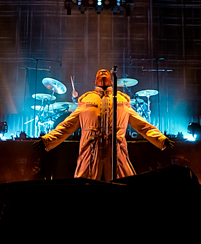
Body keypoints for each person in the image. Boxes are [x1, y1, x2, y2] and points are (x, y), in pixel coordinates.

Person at [34, 69, 174, 181]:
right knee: (85, 185)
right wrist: (48, 139)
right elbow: (66, 125)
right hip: (90, 152)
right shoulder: (86, 100)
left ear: (111, 79)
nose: (103, 73)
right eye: (99, 73)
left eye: (105, 72)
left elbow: (142, 125)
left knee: (122, 184)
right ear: (95, 81)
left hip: (116, 152)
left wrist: (161, 139)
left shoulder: (122, 100)